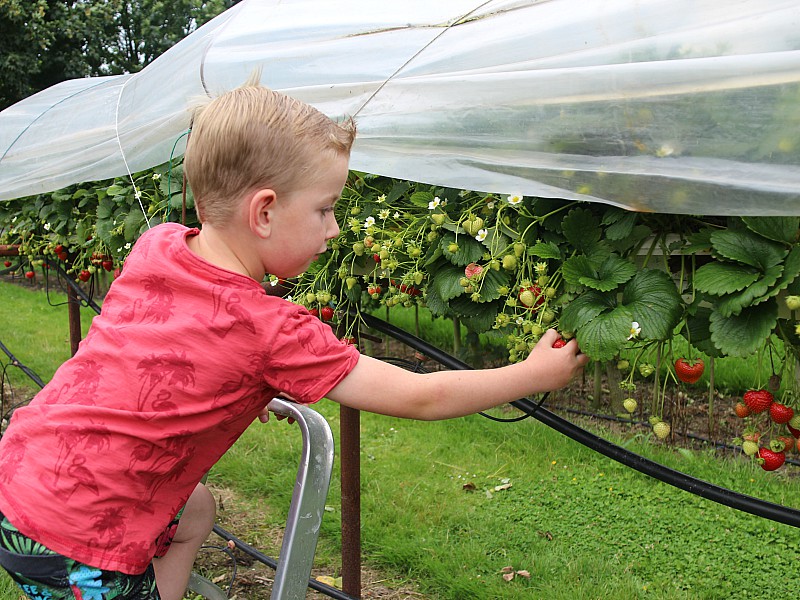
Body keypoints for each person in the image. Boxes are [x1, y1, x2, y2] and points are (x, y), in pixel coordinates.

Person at [0, 76, 589, 600]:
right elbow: (420, 396)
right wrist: (532, 375)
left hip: (21, 471)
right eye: (325, 209)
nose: (334, 229)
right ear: (264, 213)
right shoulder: (270, 331)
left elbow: (154, 345)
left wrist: (229, 385)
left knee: (196, 511)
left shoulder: (159, 246)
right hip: (78, 538)